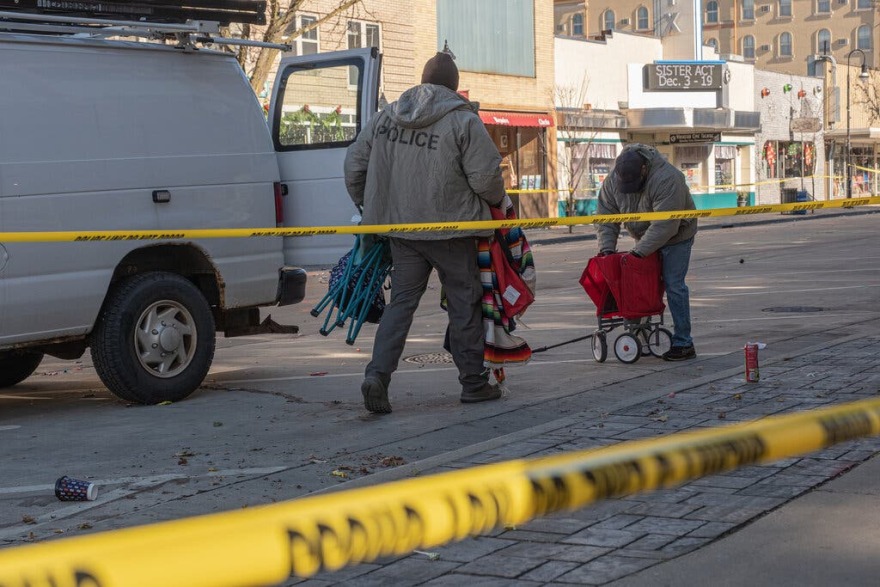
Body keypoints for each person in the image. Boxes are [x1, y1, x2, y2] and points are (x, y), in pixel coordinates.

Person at [343, 49, 506, 414]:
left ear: (422, 79)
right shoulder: (463, 120)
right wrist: (497, 203)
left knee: (401, 304)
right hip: (453, 230)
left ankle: (377, 377)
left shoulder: (387, 116)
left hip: (402, 231)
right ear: (455, 85)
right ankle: (473, 384)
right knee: (464, 303)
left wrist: (371, 208)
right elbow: (486, 178)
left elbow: (354, 165)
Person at [596, 144, 698, 361]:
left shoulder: (667, 178)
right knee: (639, 287)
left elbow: (666, 225)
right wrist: (606, 249)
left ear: (644, 170)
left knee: (673, 285)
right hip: (644, 235)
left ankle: (684, 343)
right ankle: (640, 337)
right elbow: (606, 217)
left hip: (677, 235)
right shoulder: (613, 181)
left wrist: (639, 253)